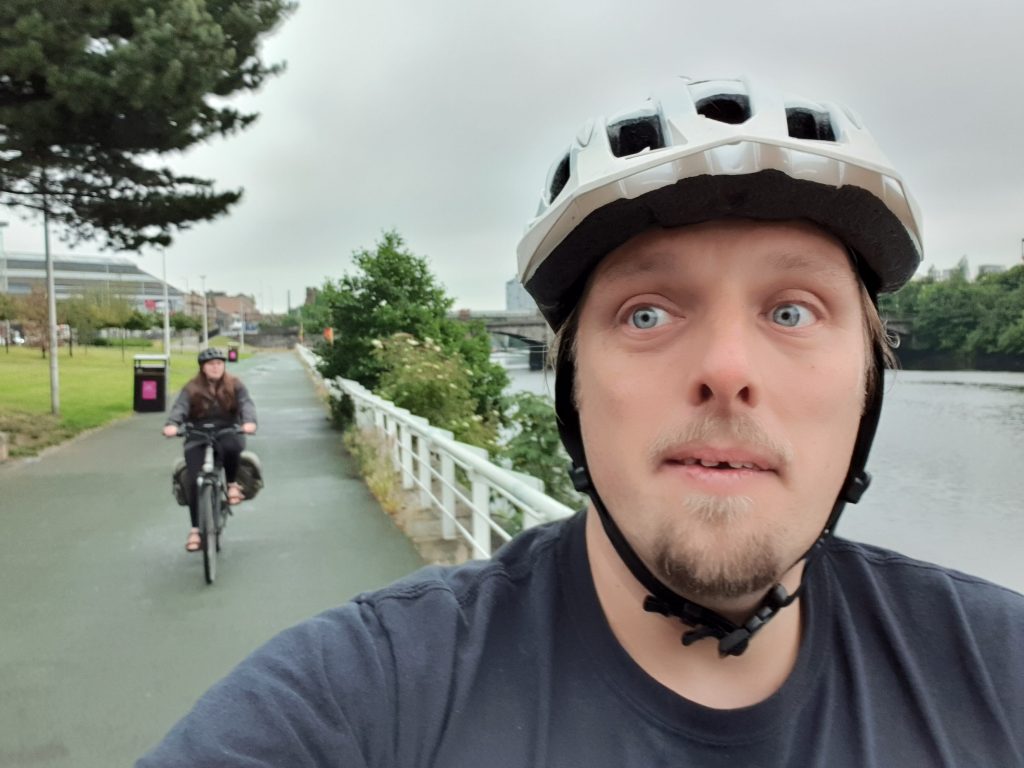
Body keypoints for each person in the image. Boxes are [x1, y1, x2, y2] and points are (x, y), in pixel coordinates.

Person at [138, 78, 1024, 766]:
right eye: (648, 313)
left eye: (792, 311)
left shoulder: (999, 667)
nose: (728, 370)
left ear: (869, 382)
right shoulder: (369, 694)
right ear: (570, 389)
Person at [163, 347, 258, 552]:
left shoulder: (235, 384)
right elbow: (180, 408)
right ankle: (195, 530)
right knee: (192, 480)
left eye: (219, 363)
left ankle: (232, 484)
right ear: (203, 368)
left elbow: (246, 404)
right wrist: (172, 424)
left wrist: (249, 422)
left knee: (232, 446)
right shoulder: (191, 388)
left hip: (227, 431)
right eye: (211, 364)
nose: (216, 367)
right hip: (197, 435)